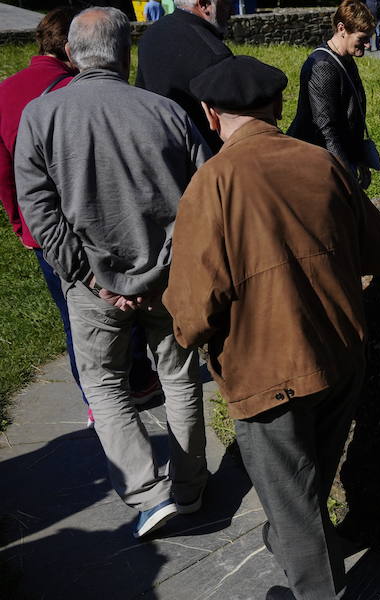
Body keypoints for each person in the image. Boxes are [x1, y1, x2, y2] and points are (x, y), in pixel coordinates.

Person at [164, 55, 380, 600]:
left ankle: (317, 587)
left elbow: (195, 307)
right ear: (279, 105)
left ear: (210, 114)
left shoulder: (213, 181)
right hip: (341, 354)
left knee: (290, 494)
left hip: (269, 371)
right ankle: (295, 542)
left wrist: (185, 339)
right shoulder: (322, 162)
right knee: (303, 485)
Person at [15, 6, 210, 539]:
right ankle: (190, 489)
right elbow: (200, 200)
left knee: (104, 385)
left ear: (73, 54)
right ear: (127, 52)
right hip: (167, 283)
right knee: (179, 379)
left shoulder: (42, 115)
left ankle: (148, 493)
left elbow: (38, 210)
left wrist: (90, 277)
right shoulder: (166, 112)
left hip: (91, 287)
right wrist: (166, 266)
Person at [0, 7, 162, 429]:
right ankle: (139, 380)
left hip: (44, 228)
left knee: (74, 317)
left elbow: (4, 172)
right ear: (73, 50)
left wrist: (22, 224)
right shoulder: (82, 90)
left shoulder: (5, 93)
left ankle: (96, 395)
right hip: (97, 220)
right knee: (127, 304)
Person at [287, 0, 376, 189]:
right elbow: (326, 129)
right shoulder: (323, 66)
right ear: (341, 28)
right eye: (362, 38)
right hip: (319, 163)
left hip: (337, 155)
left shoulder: (346, 59)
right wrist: (347, 175)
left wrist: (359, 158)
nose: (368, 45)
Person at [135, 0, 233, 152]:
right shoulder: (214, 53)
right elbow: (229, 127)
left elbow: (141, 94)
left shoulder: (151, 34)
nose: (231, 10)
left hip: (154, 148)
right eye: (227, 3)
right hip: (201, 159)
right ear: (205, 4)